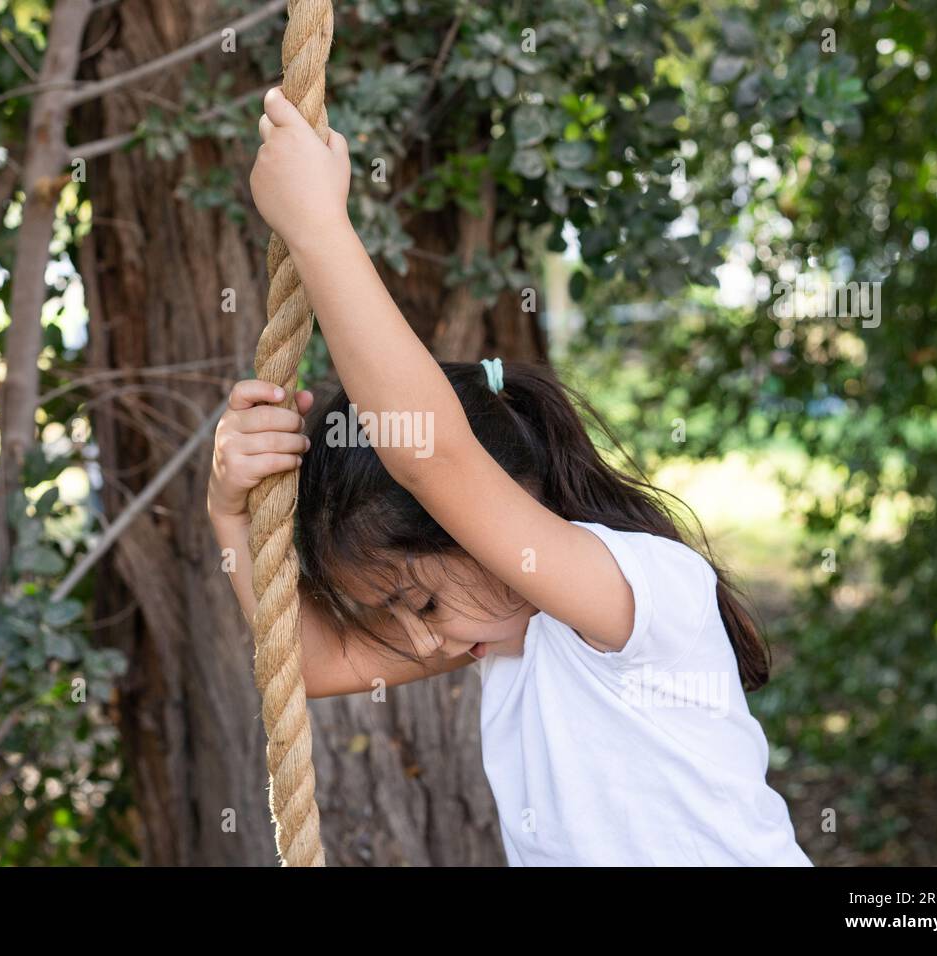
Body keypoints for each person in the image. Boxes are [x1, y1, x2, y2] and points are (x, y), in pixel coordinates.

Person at [206, 87, 812, 866]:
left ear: (494, 512)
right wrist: (230, 512)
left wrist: (320, 230)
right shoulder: (500, 630)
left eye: (416, 599)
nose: (421, 637)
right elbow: (309, 663)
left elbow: (430, 458)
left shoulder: (635, 595)